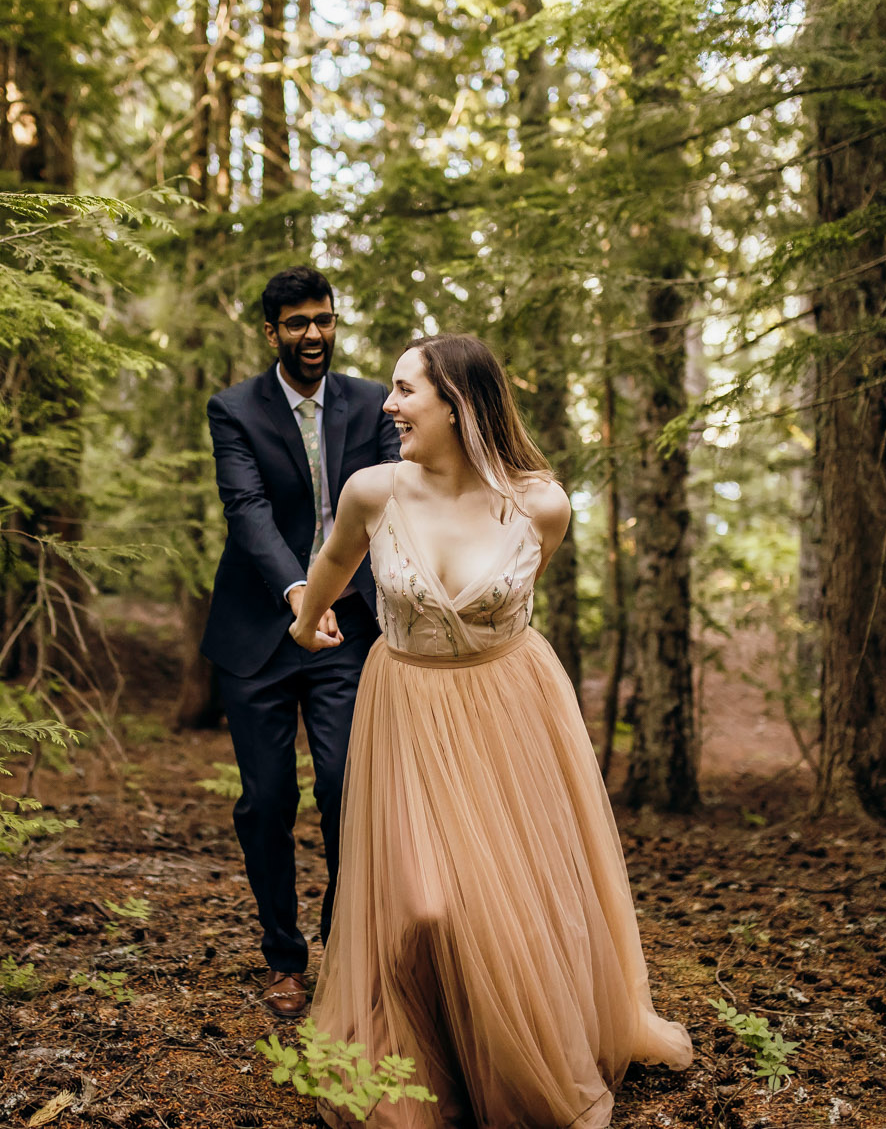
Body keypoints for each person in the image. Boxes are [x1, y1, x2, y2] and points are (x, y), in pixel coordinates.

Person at [290, 333, 692, 1129]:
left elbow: (511, 601)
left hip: (511, 711)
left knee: (510, 899)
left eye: (407, 390)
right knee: (428, 905)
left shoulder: (541, 502)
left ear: (457, 403)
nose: (388, 404)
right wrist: (307, 621)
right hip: (406, 707)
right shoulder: (374, 491)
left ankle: (515, 1057)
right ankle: (419, 1060)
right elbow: (329, 571)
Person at [201, 266, 401, 1018]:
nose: (313, 334)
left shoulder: (373, 401)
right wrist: (297, 595)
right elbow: (246, 509)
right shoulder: (233, 409)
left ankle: (342, 941)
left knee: (348, 786)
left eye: (323, 319)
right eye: (296, 323)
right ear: (270, 331)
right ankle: (283, 954)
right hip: (259, 630)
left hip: (349, 627)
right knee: (266, 799)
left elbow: (394, 495)